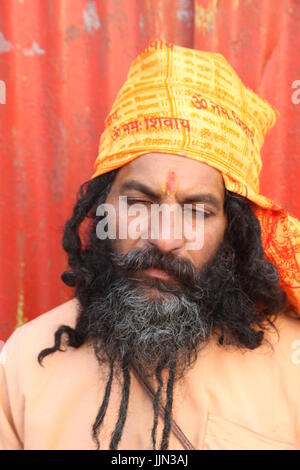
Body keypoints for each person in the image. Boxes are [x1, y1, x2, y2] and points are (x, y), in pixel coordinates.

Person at [0, 39, 300, 451]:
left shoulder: (291, 363)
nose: (163, 236)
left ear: (234, 230)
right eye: (138, 203)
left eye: (196, 211)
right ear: (102, 205)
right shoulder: (23, 364)